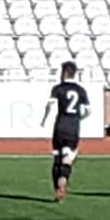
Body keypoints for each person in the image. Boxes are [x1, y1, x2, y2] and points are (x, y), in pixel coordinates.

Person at [45, 60, 90, 202]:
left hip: (59, 125)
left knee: (57, 158)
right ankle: (63, 180)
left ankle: (57, 190)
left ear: (64, 73)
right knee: (68, 157)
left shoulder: (57, 88)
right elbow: (88, 111)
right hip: (73, 126)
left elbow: (49, 105)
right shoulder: (81, 90)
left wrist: (44, 119)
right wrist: (79, 118)